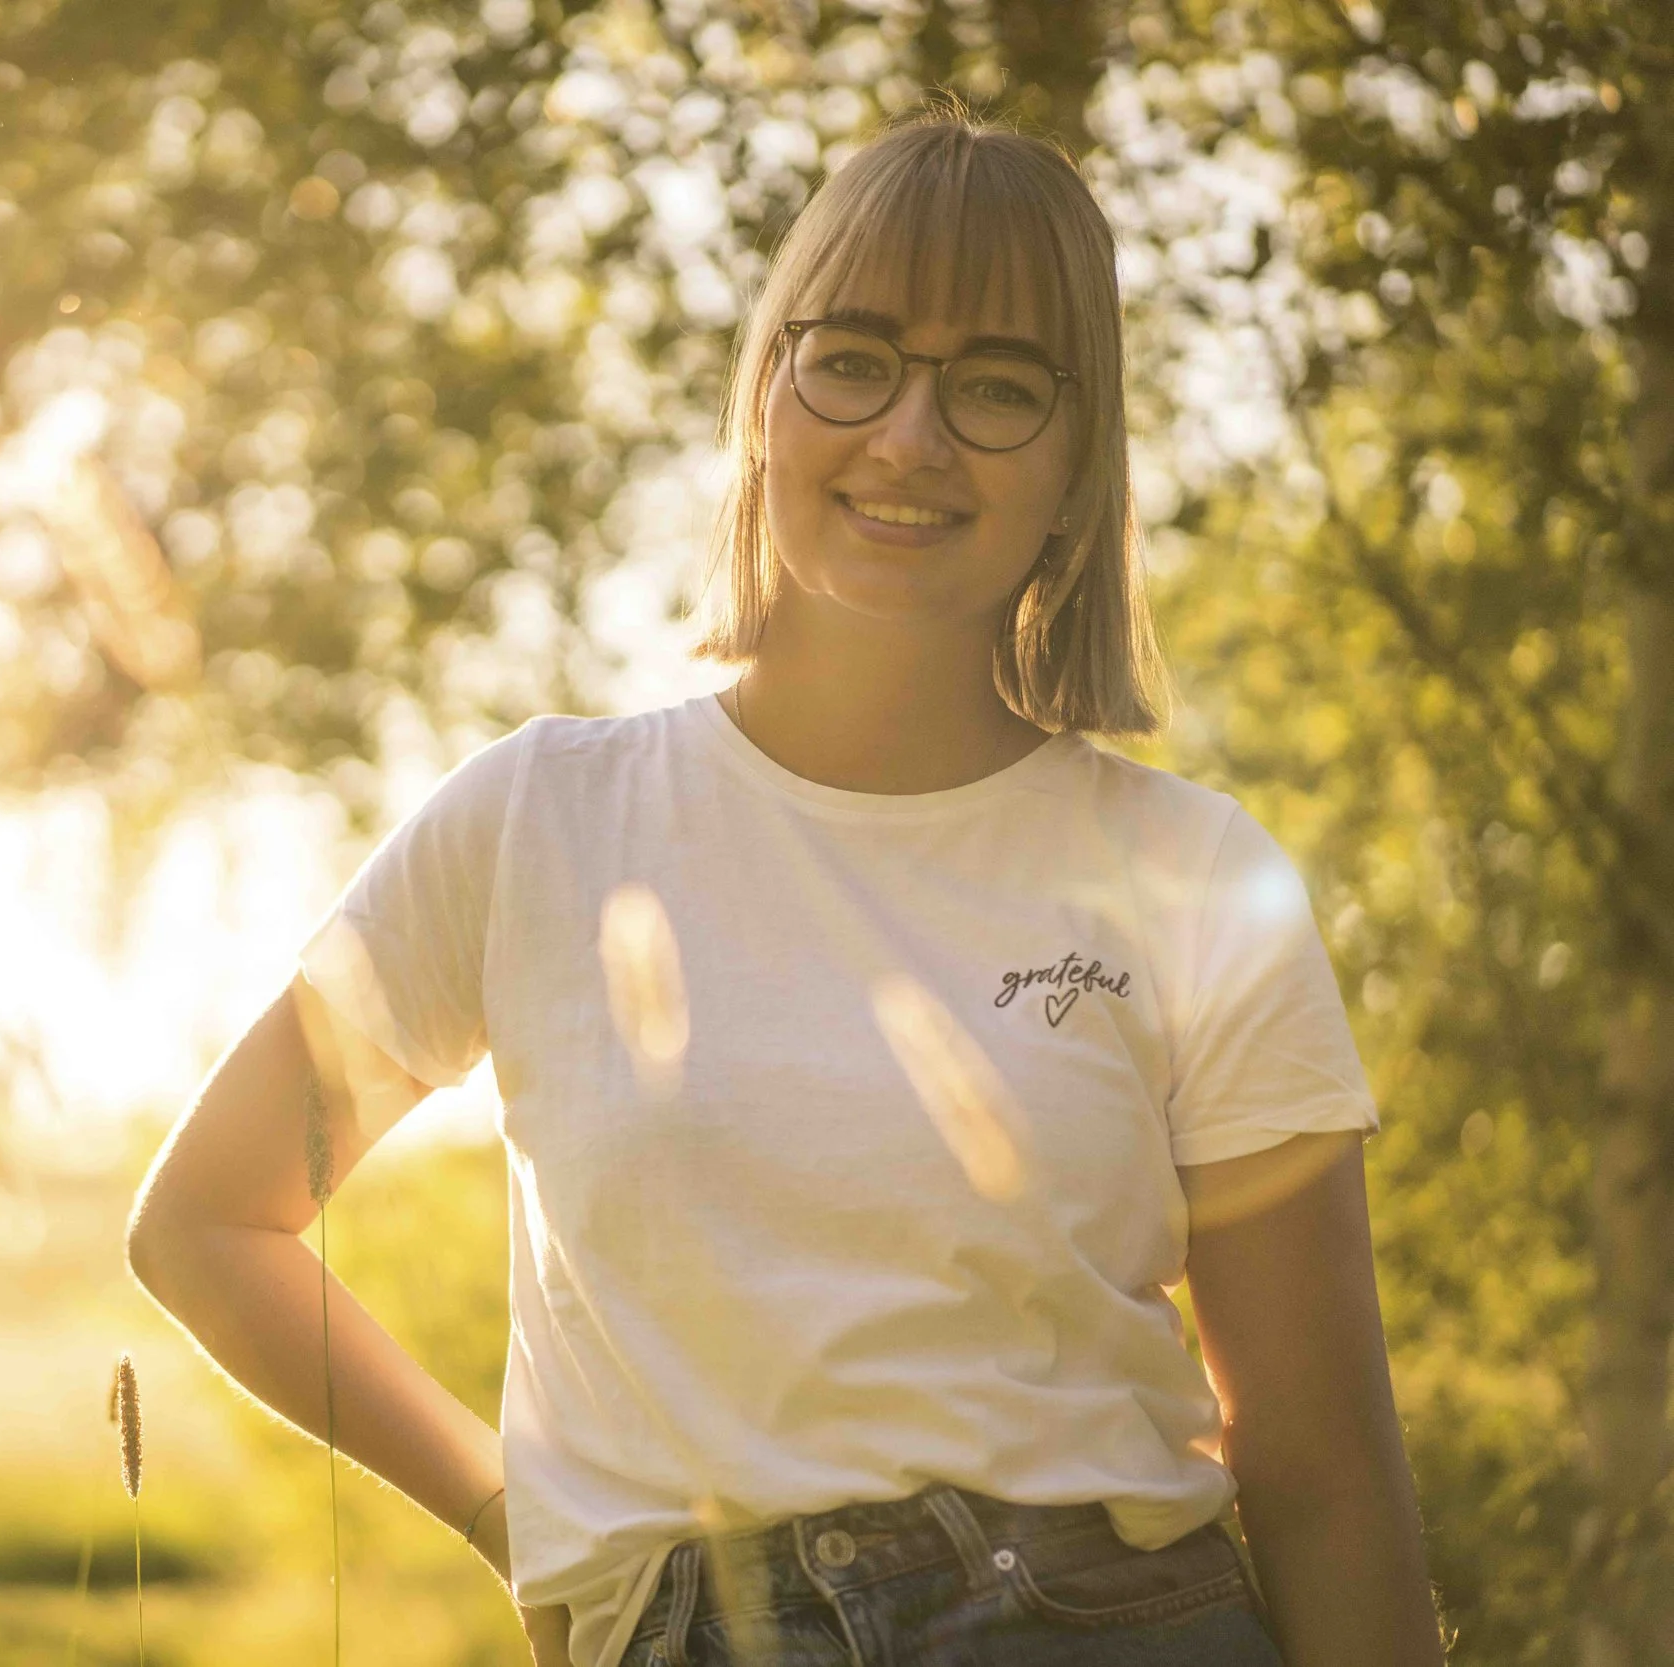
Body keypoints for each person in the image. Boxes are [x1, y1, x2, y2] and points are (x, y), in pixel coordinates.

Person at [126, 98, 1447, 1667]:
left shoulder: (1195, 878)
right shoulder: (539, 821)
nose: (910, 436)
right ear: (769, 393)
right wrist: (514, 1517)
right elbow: (208, 1223)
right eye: (856, 359)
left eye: (999, 387)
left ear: (1081, 468)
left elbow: (1321, 1475)